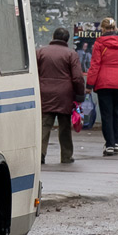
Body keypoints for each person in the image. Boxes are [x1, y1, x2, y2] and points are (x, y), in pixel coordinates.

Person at [85, 16, 118, 157]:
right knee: (116, 111)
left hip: (104, 82)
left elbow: (95, 65)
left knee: (107, 113)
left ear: (102, 29)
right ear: (115, 29)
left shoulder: (99, 43)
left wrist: (89, 84)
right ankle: (116, 143)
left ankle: (109, 144)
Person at [37, 27, 86, 165]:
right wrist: (79, 95)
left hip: (44, 93)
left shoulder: (41, 52)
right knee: (64, 126)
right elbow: (77, 77)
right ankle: (66, 156)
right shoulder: (71, 54)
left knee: (44, 125)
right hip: (65, 95)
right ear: (67, 39)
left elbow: (34, 72)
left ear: (53, 36)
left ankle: (40, 154)